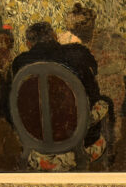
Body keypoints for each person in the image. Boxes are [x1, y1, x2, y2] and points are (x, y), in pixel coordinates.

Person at [10, 21, 114, 171]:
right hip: (81, 147)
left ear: (28, 43)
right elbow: (93, 94)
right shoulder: (78, 53)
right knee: (105, 102)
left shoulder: (20, 63)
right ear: (54, 36)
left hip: (37, 149)